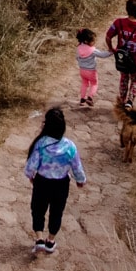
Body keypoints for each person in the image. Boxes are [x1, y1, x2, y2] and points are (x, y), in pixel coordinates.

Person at [23, 106, 86, 254]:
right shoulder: (70, 146)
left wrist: (31, 176)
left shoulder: (40, 144)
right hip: (61, 184)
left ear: (47, 125)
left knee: (37, 209)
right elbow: (77, 166)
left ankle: (39, 238)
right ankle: (50, 241)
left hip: (42, 182)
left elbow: (31, 165)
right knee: (57, 212)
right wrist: (80, 180)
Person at [76, 28, 101, 107]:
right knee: (94, 84)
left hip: (82, 70)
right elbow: (103, 55)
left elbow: (77, 58)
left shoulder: (79, 48)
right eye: (93, 41)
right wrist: (112, 51)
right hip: (91, 71)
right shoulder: (92, 50)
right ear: (87, 41)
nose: (94, 42)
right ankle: (90, 98)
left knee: (84, 83)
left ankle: (82, 99)